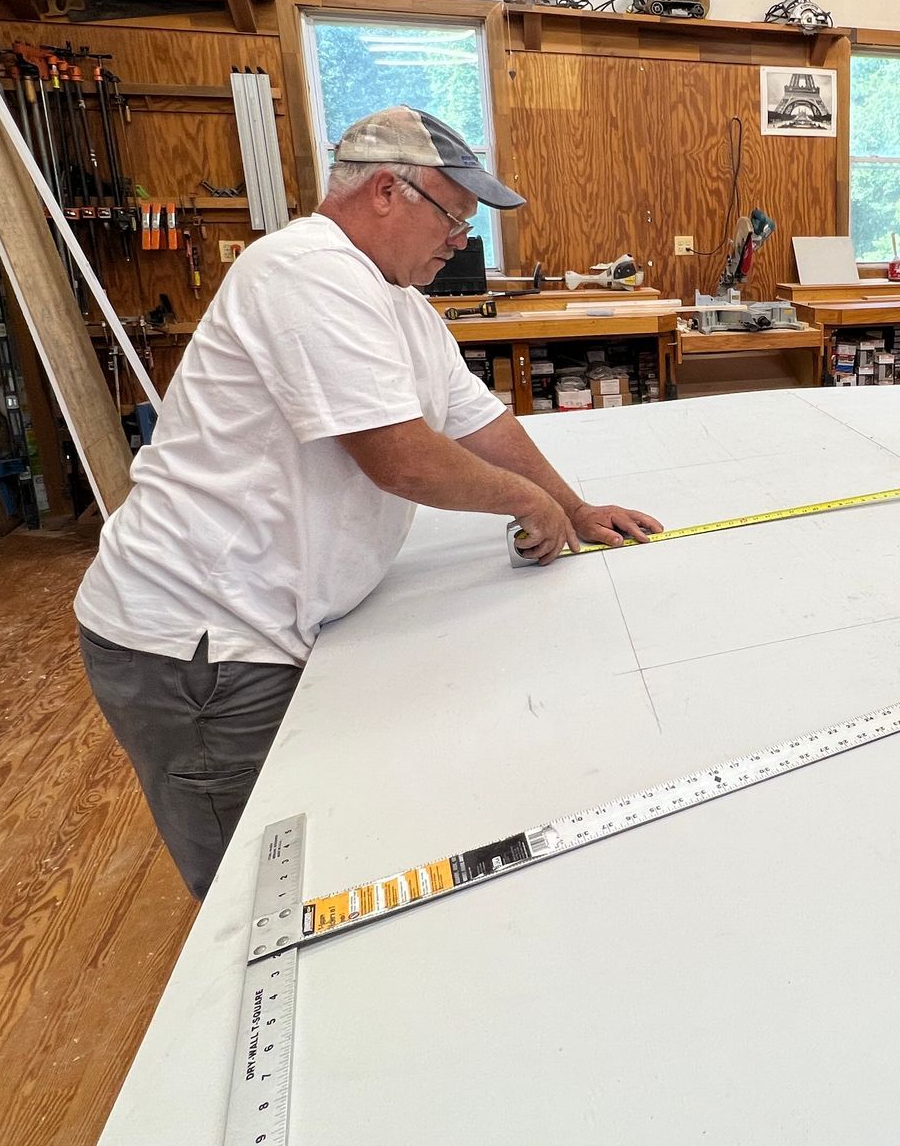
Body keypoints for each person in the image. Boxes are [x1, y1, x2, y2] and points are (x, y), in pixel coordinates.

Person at [75, 106, 660, 898]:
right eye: (454, 218)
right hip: (200, 645)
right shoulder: (307, 271)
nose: (462, 241)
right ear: (387, 189)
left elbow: (474, 417)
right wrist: (525, 502)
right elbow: (400, 458)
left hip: (272, 620)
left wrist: (574, 507)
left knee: (315, 848)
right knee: (255, 897)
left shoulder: (400, 302)